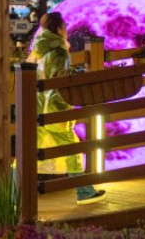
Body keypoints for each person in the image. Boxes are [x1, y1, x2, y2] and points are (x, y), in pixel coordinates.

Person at [27, 12, 106, 204]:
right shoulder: (59, 51)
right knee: (72, 148)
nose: (67, 29)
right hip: (56, 108)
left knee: (28, 152)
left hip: (39, 107)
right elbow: (59, 78)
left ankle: (13, 192)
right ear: (57, 28)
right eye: (64, 26)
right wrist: (77, 73)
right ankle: (84, 191)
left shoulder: (39, 49)